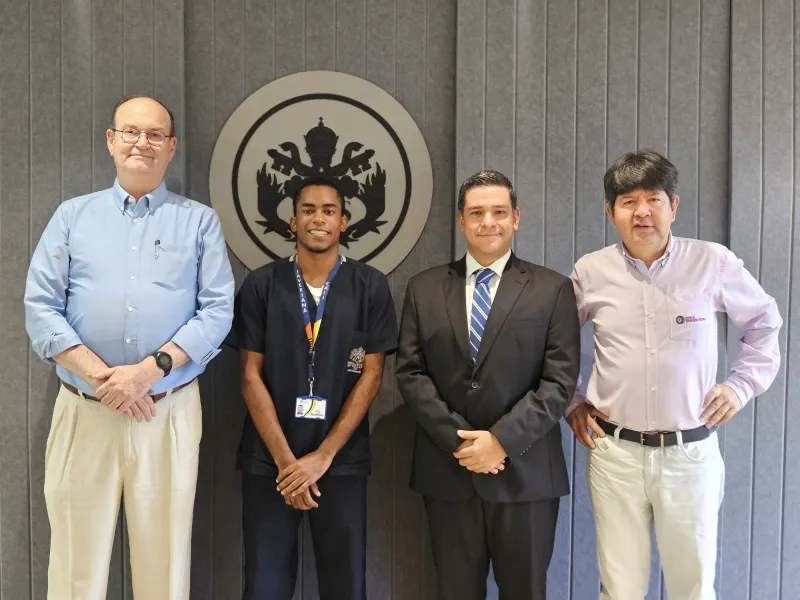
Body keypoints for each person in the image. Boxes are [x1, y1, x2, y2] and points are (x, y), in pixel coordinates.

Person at [24, 95, 234, 599]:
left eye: (156, 134)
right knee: (76, 567)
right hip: (85, 410)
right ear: (111, 142)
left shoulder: (199, 222)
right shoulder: (72, 217)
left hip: (167, 411)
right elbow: (41, 308)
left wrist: (149, 372)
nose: (143, 142)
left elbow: (217, 311)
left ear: (172, 147)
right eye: (131, 132)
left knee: (164, 566)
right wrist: (107, 379)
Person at [566, 150, 783, 600]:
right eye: (628, 201)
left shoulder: (712, 262)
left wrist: (741, 385)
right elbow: (552, 344)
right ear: (611, 212)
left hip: (690, 455)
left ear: (673, 206)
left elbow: (765, 323)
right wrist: (571, 402)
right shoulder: (591, 271)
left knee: (693, 589)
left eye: (653, 198)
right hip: (614, 453)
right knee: (620, 590)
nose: (642, 211)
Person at [395, 170, 581, 600]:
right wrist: (460, 443)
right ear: (460, 220)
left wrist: (499, 441)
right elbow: (410, 373)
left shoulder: (552, 290)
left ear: (516, 217)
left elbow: (558, 380)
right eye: (476, 213)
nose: (488, 222)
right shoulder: (423, 289)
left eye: (499, 212)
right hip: (448, 473)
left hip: (526, 475)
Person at [226, 176, 397, 600]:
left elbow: (371, 377)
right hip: (271, 465)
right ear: (292, 221)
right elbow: (249, 376)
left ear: (344, 221)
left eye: (328, 211)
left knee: (345, 584)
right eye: (308, 210)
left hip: (340, 463)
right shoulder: (262, 285)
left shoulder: (370, 285)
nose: (317, 219)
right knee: (264, 586)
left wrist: (321, 457)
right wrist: (289, 465)